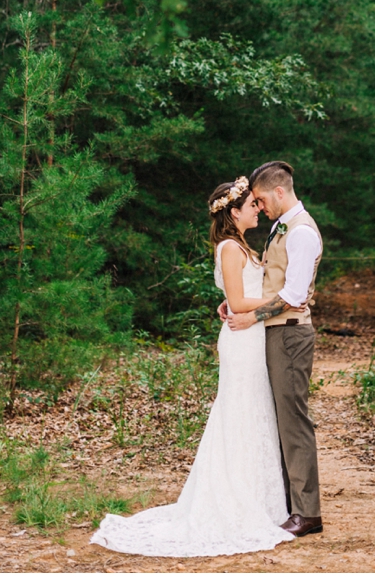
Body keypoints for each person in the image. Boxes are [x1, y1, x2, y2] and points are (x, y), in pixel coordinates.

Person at [90, 176, 296, 558]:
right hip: (242, 338)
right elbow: (236, 302)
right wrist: (279, 300)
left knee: (252, 412)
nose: (257, 208)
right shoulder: (231, 249)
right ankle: (234, 502)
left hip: (250, 336)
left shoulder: (239, 245)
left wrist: (259, 297)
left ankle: (260, 499)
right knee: (239, 412)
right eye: (251, 204)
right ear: (234, 213)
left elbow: (236, 298)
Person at [223, 160, 324, 538]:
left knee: (294, 421)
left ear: (279, 192)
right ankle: (289, 503)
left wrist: (251, 317)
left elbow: (293, 295)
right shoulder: (282, 228)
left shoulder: (301, 233)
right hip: (275, 332)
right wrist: (238, 305)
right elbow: (271, 282)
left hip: (291, 335)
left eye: (263, 200)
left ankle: (308, 513)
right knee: (279, 418)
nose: (260, 207)